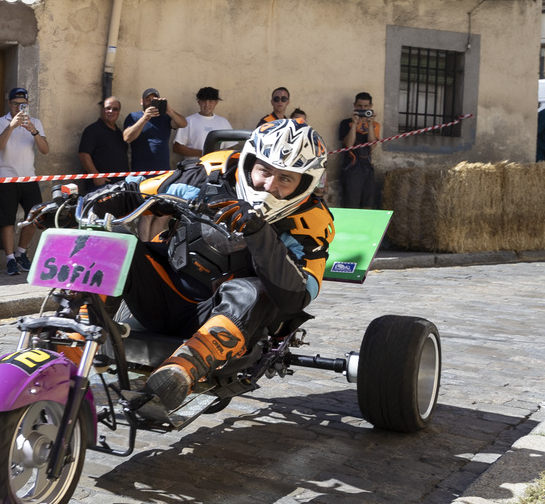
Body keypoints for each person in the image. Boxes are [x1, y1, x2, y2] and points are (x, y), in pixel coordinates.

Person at [37, 119, 334, 415]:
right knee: (109, 242)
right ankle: (70, 350)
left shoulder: (312, 221)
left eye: (286, 179)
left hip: (234, 325)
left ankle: (178, 374)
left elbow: (298, 297)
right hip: (163, 296)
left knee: (256, 289)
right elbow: (133, 193)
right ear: (249, 162)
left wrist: (259, 233)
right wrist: (78, 209)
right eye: (264, 171)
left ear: (304, 184)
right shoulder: (205, 175)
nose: (269, 186)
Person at [0, 87, 49, 275]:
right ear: (9, 104)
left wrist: (34, 131)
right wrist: (12, 126)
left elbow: (45, 150)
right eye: (15, 104)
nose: (18, 107)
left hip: (28, 178)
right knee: (7, 221)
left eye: (22, 104)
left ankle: (21, 253)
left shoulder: (36, 122)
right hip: (6, 178)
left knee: (35, 217)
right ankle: (9, 259)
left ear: (28, 104)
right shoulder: (1, 122)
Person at [123, 88, 187, 172]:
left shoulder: (164, 117)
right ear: (141, 101)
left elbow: (183, 124)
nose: (150, 102)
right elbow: (127, 138)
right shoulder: (134, 116)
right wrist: (145, 118)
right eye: (148, 99)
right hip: (141, 172)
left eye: (153, 100)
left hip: (163, 171)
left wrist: (170, 111)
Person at [339, 92, 382, 208]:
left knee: (368, 203)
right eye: (359, 106)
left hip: (368, 168)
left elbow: (372, 145)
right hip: (351, 169)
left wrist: (370, 124)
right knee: (351, 204)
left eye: (366, 107)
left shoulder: (375, 124)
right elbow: (348, 144)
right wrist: (354, 123)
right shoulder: (345, 123)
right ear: (354, 105)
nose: (362, 109)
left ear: (370, 107)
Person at [78, 96, 129, 192]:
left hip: (120, 185)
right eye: (108, 108)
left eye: (115, 109)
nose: (111, 111)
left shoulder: (119, 133)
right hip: (100, 187)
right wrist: (96, 176)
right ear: (102, 110)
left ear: (118, 112)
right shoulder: (93, 130)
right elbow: (83, 155)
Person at [173, 87, 232, 159]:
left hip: (218, 167)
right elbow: (177, 147)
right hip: (195, 167)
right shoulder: (188, 121)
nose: (207, 105)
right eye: (204, 101)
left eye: (211, 101)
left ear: (216, 102)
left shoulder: (223, 122)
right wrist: (204, 153)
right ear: (199, 102)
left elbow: (230, 147)